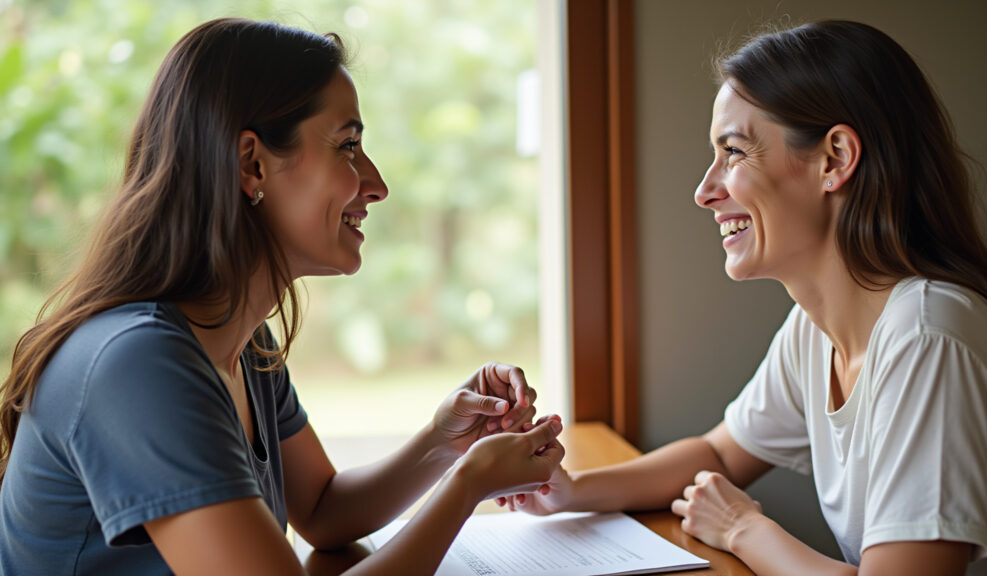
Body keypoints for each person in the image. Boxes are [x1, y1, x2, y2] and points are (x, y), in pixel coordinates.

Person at [0, 18, 564, 576]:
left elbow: (322, 509)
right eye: (348, 146)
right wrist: (467, 487)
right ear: (252, 164)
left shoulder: (241, 340)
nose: (376, 183)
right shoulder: (136, 364)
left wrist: (445, 445)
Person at [502, 19, 987, 576]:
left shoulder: (927, 338)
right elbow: (721, 453)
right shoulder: (815, 329)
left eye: (734, 153)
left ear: (834, 160)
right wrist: (568, 489)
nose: (704, 191)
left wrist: (744, 529)